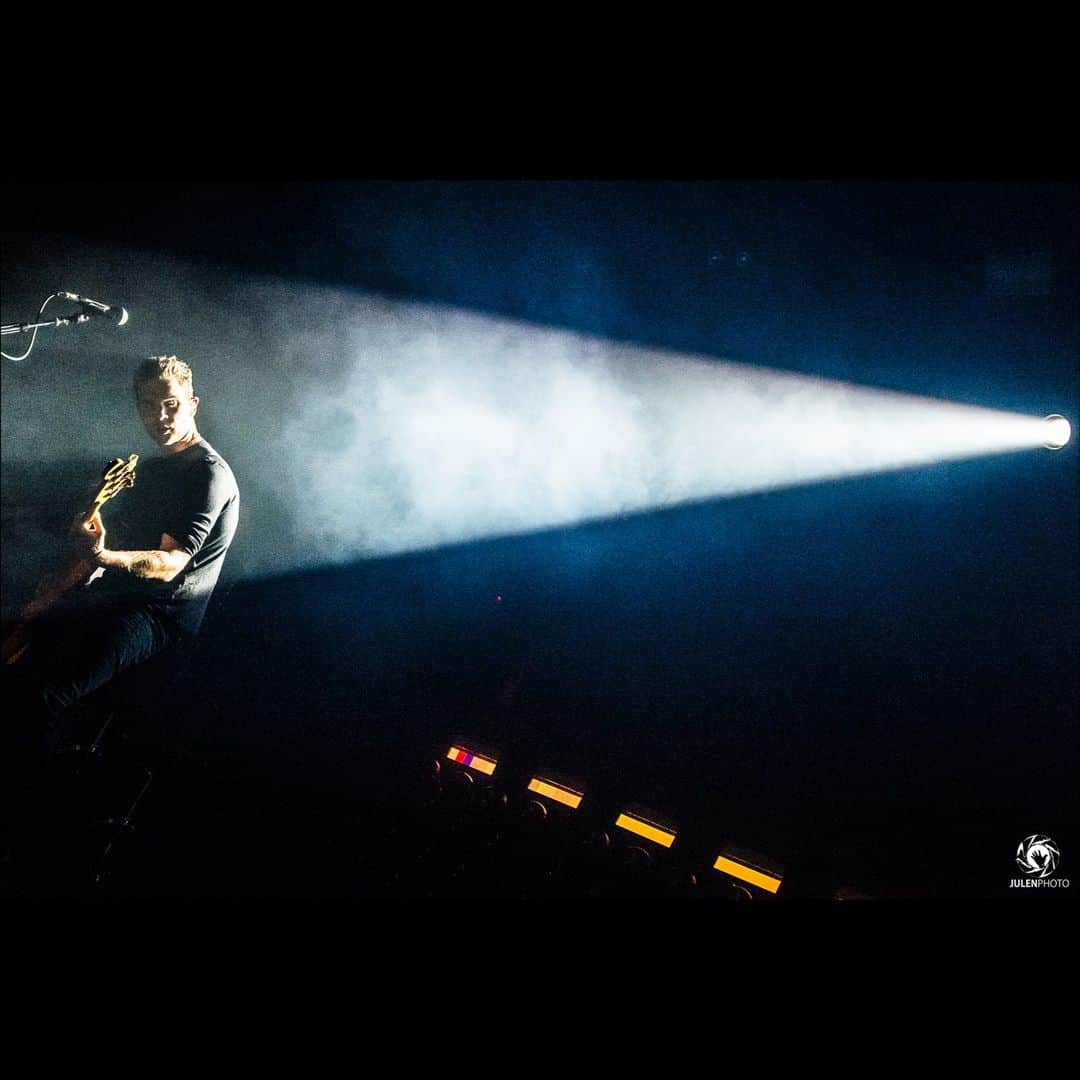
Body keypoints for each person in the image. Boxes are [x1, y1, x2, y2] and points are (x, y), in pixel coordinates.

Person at [2, 355, 239, 843]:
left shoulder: (207, 474)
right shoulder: (149, 470)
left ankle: (32, 831)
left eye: (171, 405)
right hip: (112, 595)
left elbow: (170, 564)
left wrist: (104, 556)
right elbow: (101, 546)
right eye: (150, 406)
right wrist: (53, 593)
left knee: (44, 693)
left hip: (157, 615)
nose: (161, 417)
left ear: (193, 404)